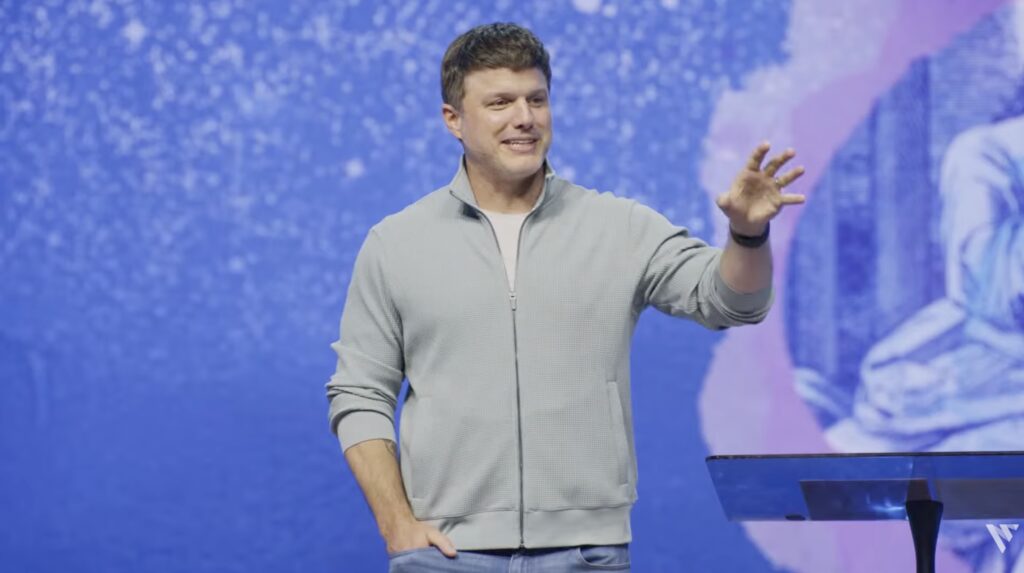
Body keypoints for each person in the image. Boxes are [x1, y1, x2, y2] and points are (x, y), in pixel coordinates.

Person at [325, 22, 804, 572]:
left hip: (586, 552)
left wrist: (747, 234)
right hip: (446, 556)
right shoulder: (396, 244)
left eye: (536, 99)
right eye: (500, 102)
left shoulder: (619, 226)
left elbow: (733, 302)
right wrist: (396, 525)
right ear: (453, 119)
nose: (524, 117)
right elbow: (359, 394)